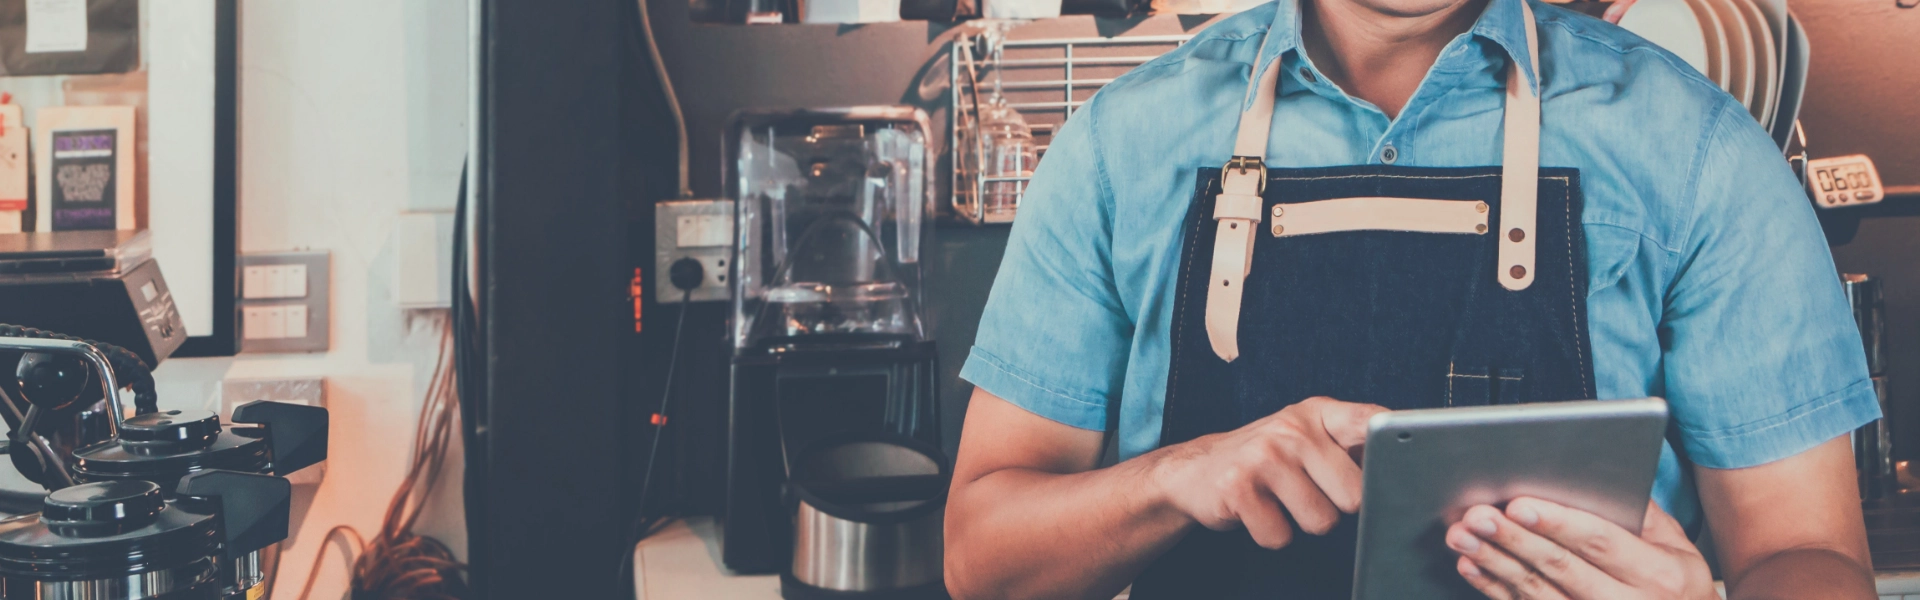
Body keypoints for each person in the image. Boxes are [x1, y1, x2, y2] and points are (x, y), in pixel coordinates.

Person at [943, 0, 1880, 598]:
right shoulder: (1118, 146)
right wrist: (1178, 478)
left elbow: (1813, 560)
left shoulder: (1699, 153)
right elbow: (983, 558)